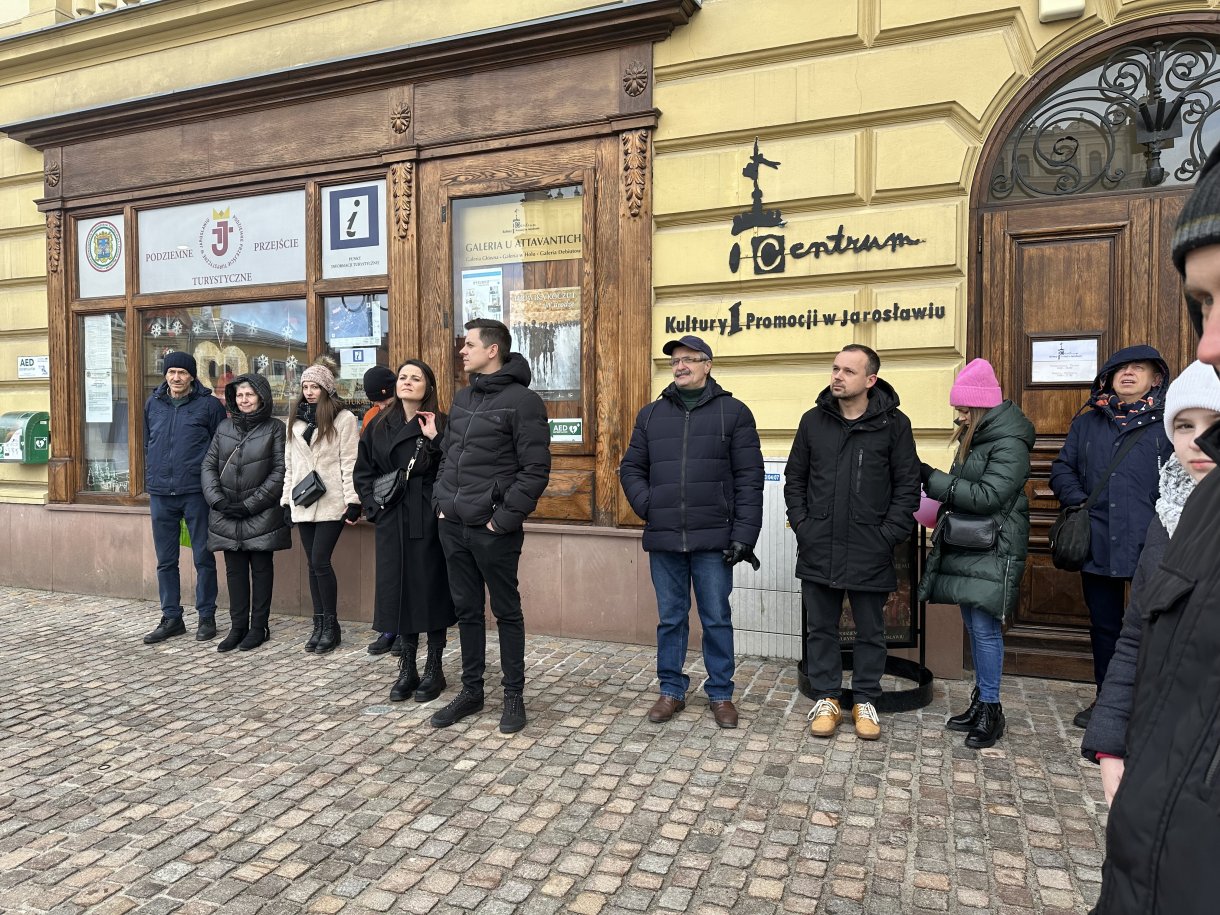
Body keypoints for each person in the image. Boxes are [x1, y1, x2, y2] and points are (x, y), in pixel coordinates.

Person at [1089, 143, 1220, 915]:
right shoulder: (1202, 502)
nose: (1208, 341)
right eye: (1201, 305)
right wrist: (1116, 733)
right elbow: (1154, 639)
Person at [1082, 359, 1220, 800]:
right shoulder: (1169, 518)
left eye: (1214, 424)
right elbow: (1137, 637)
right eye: (1183, 425)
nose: (1198, 441)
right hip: (1164, 751)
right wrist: (1110, 744)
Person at [619, 334, 764, 729]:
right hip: (665, 535)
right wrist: (649, 505)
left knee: (716, 617)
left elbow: (749, 478)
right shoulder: (650, 415)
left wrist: (744, 535)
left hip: (714, 537)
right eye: (675, 361)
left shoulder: (733, 413)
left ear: (707, 365)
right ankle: (671, 690)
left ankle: (721, 694)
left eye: (689, 359)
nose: (680, 366)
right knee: (670, 617)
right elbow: (630, 467)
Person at [784, 344, 920, 740]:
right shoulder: (813, 421)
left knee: (869, 632)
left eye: (848, 371)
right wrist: (804, 525)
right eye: (835, 369)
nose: (838, 377)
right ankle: (827, 698)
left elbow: (907, 487)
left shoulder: (894, 425)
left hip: (869, 546)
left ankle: (865, 700)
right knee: (821, 628)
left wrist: (887, 536)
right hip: (818, 543)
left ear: (870, 380)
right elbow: (795, 479)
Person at [429, 319, 551, 734]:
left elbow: (535, 470)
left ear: (492, 350)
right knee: (466, 611)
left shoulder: (524, 402)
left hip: (492, 528)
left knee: (506, 611)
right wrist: (441, 504)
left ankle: (513, 695)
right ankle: (472, 691)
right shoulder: (463, 397)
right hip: (454, 524)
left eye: (469, 345)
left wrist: (503, 519)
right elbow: (449, 453)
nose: (462, 351)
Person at [1048, 344, 1172, 728]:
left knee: (1154, 629)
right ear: (1108, 378)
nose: (1129, 373)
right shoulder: (1089, 422)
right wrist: (1080, 501)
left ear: (1156, 379)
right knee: (1104, 627)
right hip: (1097, 540)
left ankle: (1151, 706)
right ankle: (1107, 700)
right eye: (1120, 368)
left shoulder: (1169, 422)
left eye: (1139, 368)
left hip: (1152, 544)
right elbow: (1062, 469)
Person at [917, 359, 1034, 750]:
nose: (958, 414)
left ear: (982, 405)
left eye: (964, 408)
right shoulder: (979, 437)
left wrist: (931, 478)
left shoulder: (1008, 442)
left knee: (984, 630)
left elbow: (987, 497)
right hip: (974, 545)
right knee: (974, 624)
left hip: (993, 547)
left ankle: (991, 709)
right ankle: (981, 700)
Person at [354, 360, 457, 703]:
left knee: (430, 589)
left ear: (429, 386)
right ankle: (407, 666)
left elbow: (453, 465)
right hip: (391, 516)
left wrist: (436, 439)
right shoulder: (378, 422)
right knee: (397, 590)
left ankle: (434, 668)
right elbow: (363, 471)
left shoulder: (440, 421)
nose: (408, 383)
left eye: (416, 378)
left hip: (427, 516)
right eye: (403, 377)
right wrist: (374, 507)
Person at [200, 373, 291, 652]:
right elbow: (208, 467)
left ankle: (258, 627)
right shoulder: (225, 427)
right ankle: (237, 626)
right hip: (226, 513)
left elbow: (280, 471)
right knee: (235, 572)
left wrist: (250, 505)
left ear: (261, 397)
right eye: (239, 395)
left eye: (249, 394)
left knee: (261, 570)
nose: (244, 400)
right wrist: (218, 501)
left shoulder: (275, 428)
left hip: (261, 514)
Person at [142, 350, 228, 644]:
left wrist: (212, 486)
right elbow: (147, 442)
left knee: (203, 558)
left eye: (182, 372)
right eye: (171, 372)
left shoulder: (208, 406)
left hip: (196, 493)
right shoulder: (153, 403)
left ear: (192, 375)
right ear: (165, 375)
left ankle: (206, 616)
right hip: (161, 493)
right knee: (166, 560)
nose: (176, 378)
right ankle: (171, 617)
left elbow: (221, 450)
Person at [282, 357, 360, 654]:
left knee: (319, 561)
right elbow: (290, 465)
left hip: (332, 502)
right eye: (305, 386)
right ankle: (319, 624)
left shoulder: (344, 419)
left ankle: (331, 625)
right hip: (302, 502)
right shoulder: (296, 419)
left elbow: (350, 462)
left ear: (327, 388)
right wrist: (286, 500)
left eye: (315, 386)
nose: (309, 391)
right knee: (313, 565)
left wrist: (353, 500)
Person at [358, 364, 405, 657]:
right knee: (388, 573)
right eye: (376, 401)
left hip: (412, 506)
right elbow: (364, 466)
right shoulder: (371, 418)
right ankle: (389, 628)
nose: (381, 406)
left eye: (385, 400)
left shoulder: (410, 415)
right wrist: (372, 506)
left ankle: (406, 629)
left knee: (409, 572)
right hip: (385, 505)